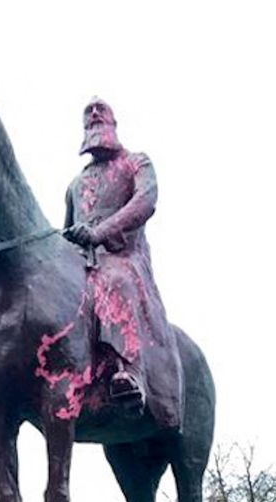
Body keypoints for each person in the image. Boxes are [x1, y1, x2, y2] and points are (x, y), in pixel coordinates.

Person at [64, 98, 183, 428]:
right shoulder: (76, 184)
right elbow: (66, 231)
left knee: (114, 279)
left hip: (122, 257)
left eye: (100, 119)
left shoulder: (136, 163)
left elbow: (145, 203)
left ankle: (130, 371)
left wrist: (100, 232)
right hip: (81, 263)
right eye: (89, 121)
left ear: (113, 125)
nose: (94, 121)